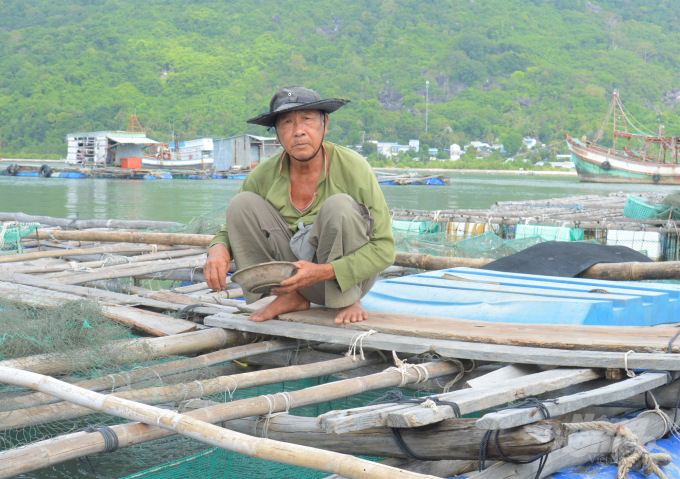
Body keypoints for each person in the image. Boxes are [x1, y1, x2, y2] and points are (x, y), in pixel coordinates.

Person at [204, 87, 395, 324]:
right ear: (276, 134)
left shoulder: (354, 168)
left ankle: (346, 299)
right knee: (241, 204)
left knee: (339, 206)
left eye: (307, 120)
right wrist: (218, 249)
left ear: (324, 124)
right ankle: (290, 297)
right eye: (286, 123)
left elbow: (385, 249)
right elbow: (229, 229)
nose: (298, 132)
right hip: (292, 280)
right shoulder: (263, 175)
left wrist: (322, 271)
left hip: (346, 280)